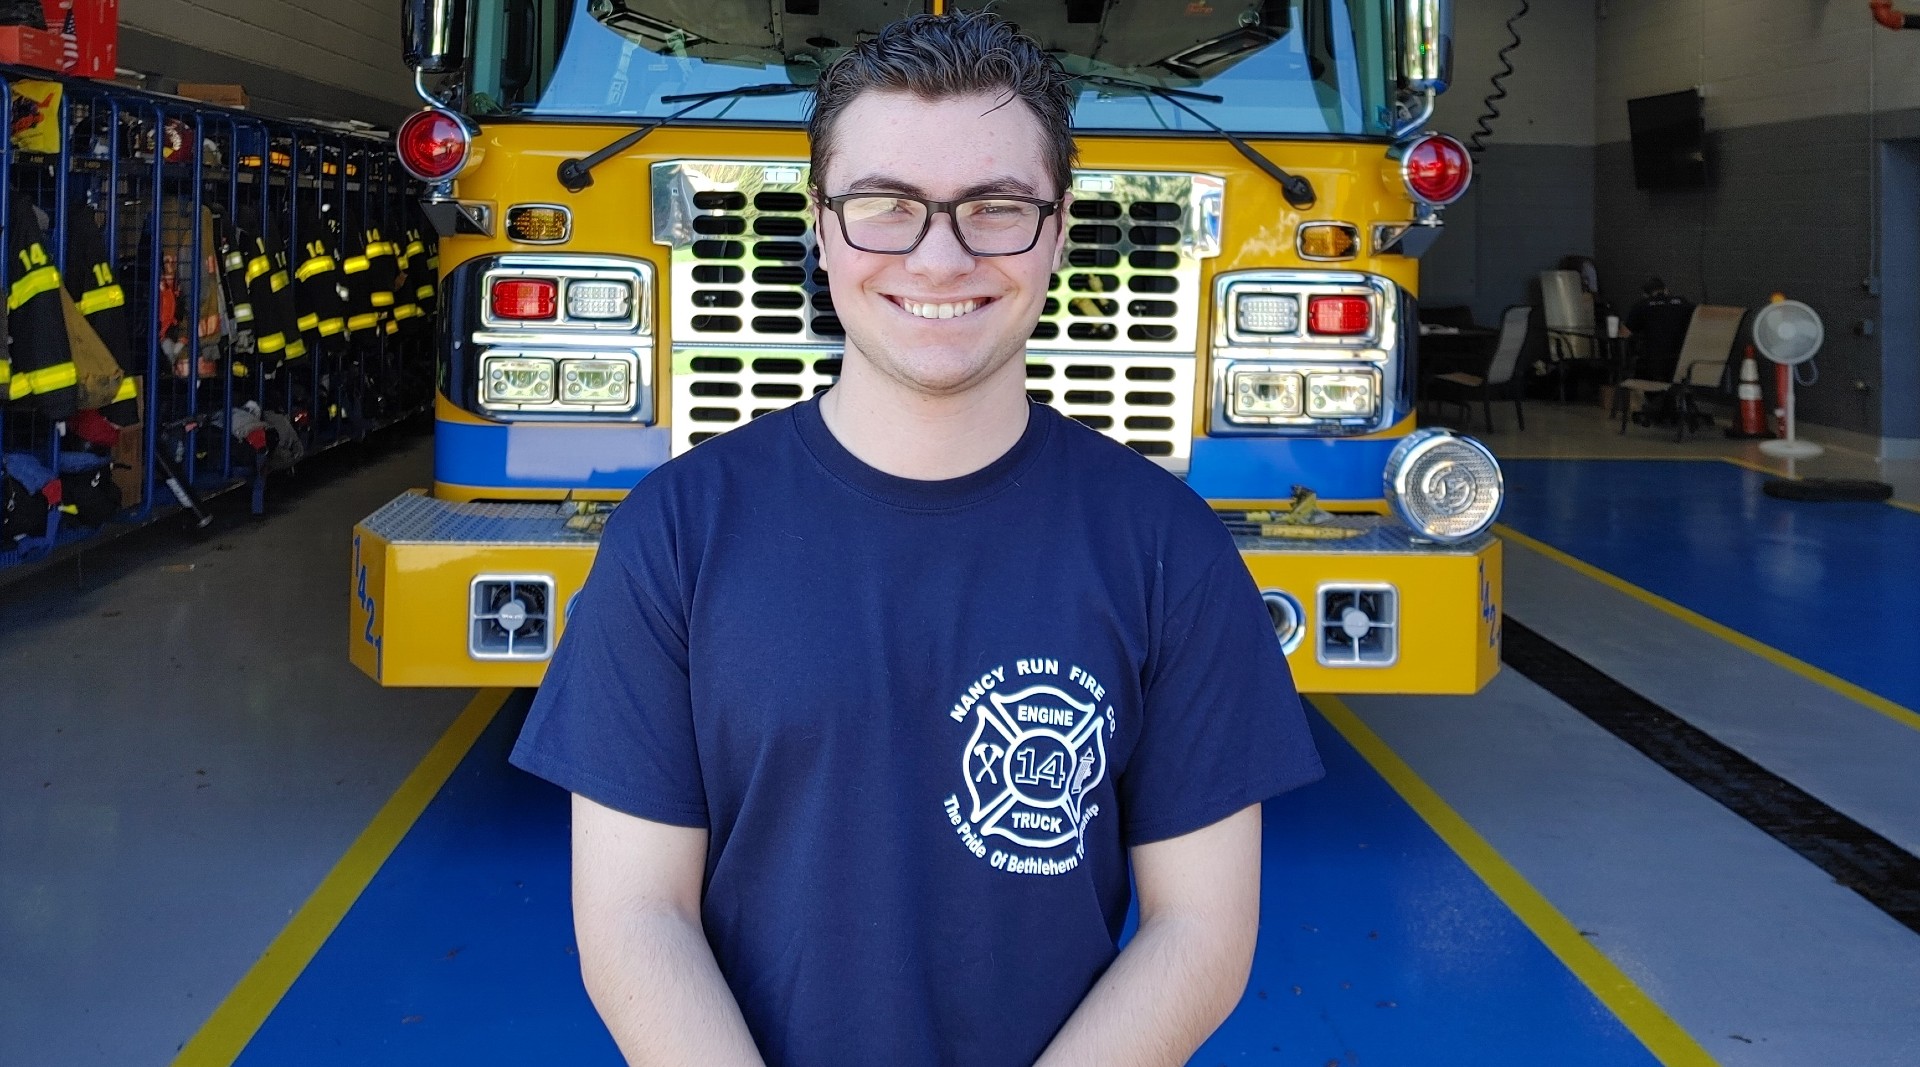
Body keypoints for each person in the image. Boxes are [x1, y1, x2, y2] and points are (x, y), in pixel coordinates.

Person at [509, 12, 1323, 1066]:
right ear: (820, 224)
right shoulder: (674, 535)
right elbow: (633, 915)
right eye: (886, 206)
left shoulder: (1170, 546)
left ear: (1060, 228)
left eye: (995, 207)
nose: (939, 258)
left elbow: (1200, 929)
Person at [1621, 276, 1695, 383]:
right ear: (1666, 290)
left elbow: (1624, 334)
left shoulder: (1642, 306)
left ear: (1645, 294)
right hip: (1681, 363)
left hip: (1653, 365)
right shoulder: (1682, 302)